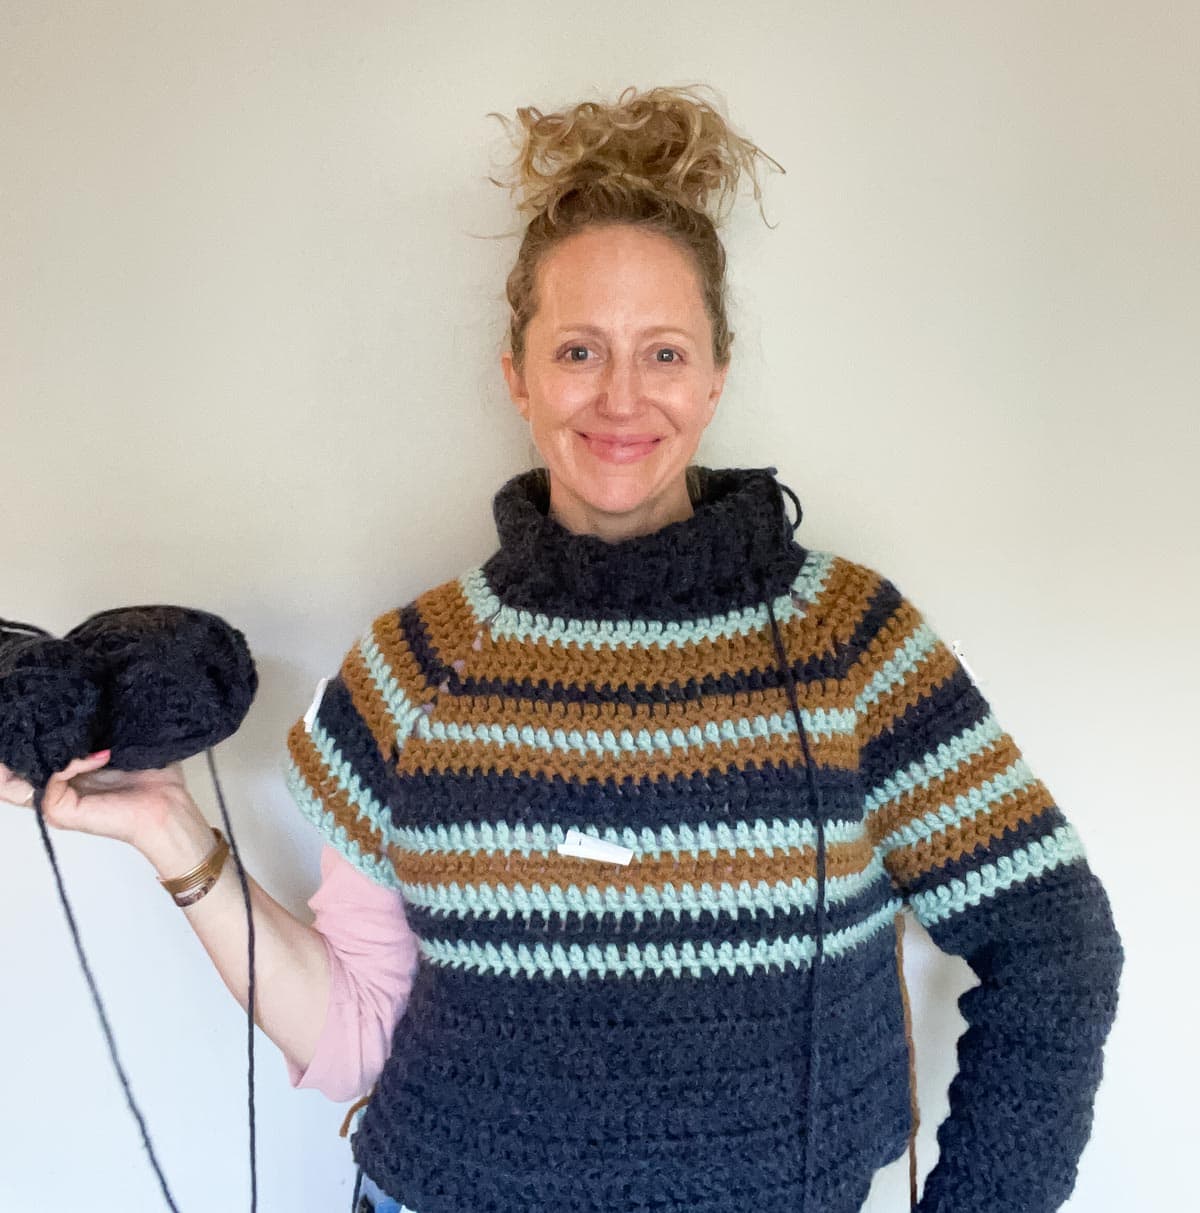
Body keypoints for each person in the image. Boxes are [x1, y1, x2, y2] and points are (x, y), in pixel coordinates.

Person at [2, 84, 1123, 1213]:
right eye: (580, 349)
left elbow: (1054, 943)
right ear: (518, 376)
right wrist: (171, 833)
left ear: (717, 375)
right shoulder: (410, 670)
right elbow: (354, 1038)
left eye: (664, 352)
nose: (622, 398)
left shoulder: (850, 640)